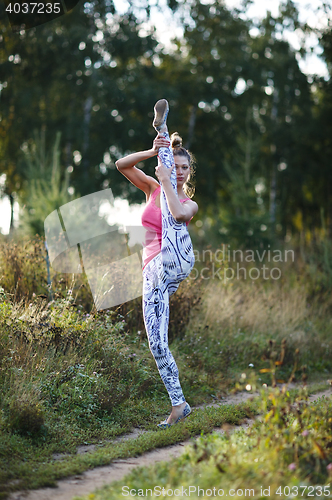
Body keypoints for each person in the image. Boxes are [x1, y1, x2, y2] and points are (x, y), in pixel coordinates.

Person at [115, 99, 198, 428]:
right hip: (154, 271)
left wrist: (166, 180)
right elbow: (122, 164)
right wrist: (154, 153)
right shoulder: (152, 187)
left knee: (169, 208)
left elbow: (177, 214)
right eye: (174, 166)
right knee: (157, 342)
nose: (179, 172)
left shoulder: (189, 203)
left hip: (176, 255)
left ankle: (161, 126)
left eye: (184, 168)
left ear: (189, 172)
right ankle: (179, 405)